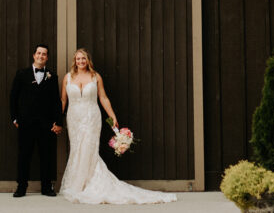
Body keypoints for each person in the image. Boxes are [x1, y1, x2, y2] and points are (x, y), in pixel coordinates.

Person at [59, 48, 177, 205]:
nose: (81, 61)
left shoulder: (95, 76)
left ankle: (88, 184)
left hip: (91, 117)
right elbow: (63, 100)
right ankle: (77, 183)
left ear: (88, 61)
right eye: (78, 59)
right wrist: (58, 120)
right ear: (74, 61)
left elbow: (103, 97)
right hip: (74, 118)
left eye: (83, 59)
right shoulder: (68, 77)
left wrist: (112, 116)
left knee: (88, 147)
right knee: (77, 148)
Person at [10, 43, 64, 197]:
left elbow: (56, 101)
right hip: (25, 123)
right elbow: (13, 97)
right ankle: (21, 186)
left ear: (47, 57)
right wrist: (14, 118)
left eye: (44, 54)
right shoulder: (22, 74)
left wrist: (58, 122)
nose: (41, 56)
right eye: (38, 53)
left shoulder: (52, 77)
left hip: (46, 124)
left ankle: (47, 187)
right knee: (24, 156)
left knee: (46, 156)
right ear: (34, 55)